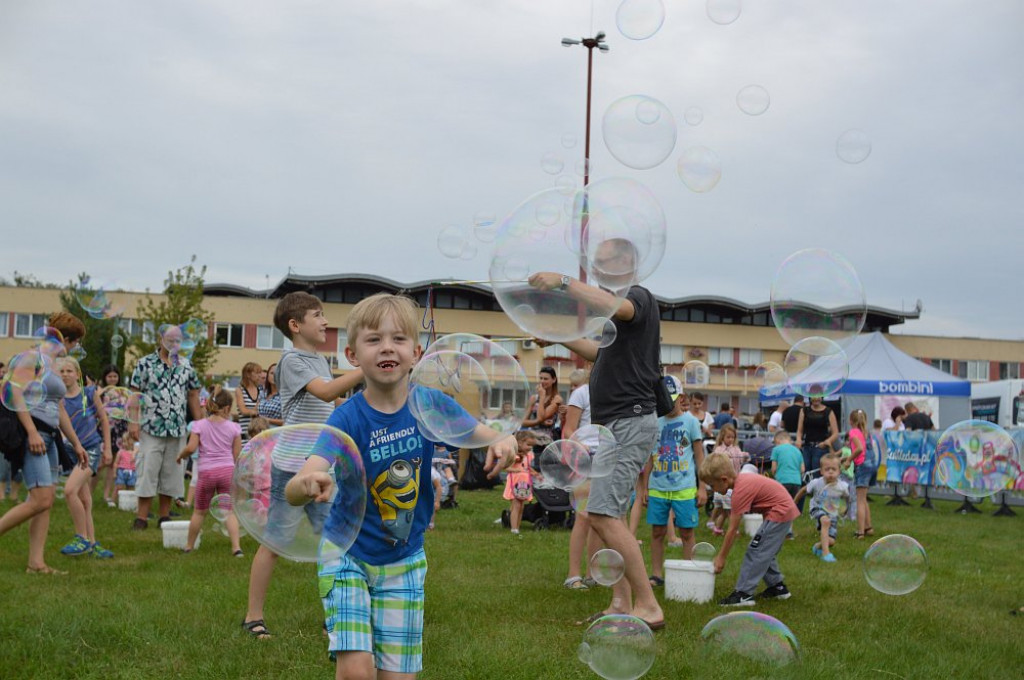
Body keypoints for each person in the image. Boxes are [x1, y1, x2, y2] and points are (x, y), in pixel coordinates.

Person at [284, 292, 516, 678]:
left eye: (398, 339)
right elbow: (298, 483)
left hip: (405, 560)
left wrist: (500, 438)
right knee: (357, 670)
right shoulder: (346, 418)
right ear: (352, 356)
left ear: (417, 351)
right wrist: (308, 480)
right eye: (374, 339)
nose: (387, 347)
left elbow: (481, 432)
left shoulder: (429, 404)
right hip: (346, 554)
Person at [528, 238, 665, 631]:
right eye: (596, 265)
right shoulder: (617, 320)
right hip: (615, 424)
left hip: (630, 421)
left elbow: (616, 306)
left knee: (603, 513)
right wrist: (556, 336)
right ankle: (620, 602)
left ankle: (649, 606)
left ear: (627, 264)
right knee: (610, 512)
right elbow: (596, 352)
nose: (599, 272)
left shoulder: (637, 298)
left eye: (605, 264)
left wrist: (562, 282)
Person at [242, 291, 365, 640]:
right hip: (293, 470)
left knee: (337, 542)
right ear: (296, 325)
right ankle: (253, 616)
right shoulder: (291, 361)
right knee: (276, 542)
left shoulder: (318, 360)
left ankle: (337, 615)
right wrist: (364, 368)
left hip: (322, 466)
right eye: (318, 314)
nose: (326, 321)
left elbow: (332, 400)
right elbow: (325, 393)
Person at [0, 312, 89, 575]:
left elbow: (58, 407)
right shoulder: (34, 358)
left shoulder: (51, 364)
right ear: (67, 339)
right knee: (41, 499)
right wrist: (31, 432)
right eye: (75, 343)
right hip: (35, 435)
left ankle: (36, 563)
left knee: (45, 501)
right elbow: (14, 391)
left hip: (50, 437)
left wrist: (76, 443)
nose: (74, 348)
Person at [128, 324, 202, 530]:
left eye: (178, 340)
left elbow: (194, 395)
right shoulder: (144, 363)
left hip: (177, 428)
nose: (174, 343)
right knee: (148, 470)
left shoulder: (186, 365)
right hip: (150, 426)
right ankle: (141, 518)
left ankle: (164, 516)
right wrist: (133, 422)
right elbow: (134, 394)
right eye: (170, 339)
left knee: (172, 473)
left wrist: (201, 426)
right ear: (160, 338)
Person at [699, 452, 798, 606]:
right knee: (764, 550)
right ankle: (777, 587)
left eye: (713, 485)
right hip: (782, 510)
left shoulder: (739, 491)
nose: (714, 490)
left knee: (756, 551)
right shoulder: (741, 482)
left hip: (780, 512)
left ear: (724, 480)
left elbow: (732, 530)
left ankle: (744, 594)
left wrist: (721, 557)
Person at [639, 375, 705, 587]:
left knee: (687, 532)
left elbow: (699, 456)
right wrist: (645, 487)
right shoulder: (655, 424)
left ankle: (688, 572)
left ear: (681, 397)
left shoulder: (691, 422)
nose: (666, 403)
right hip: (658, 488)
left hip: (684, 488)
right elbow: (650, 457)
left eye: (670, 398)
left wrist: (703, 486)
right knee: (657, 532)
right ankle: (656, 575)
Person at [56, 356, 114, 558]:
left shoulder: (89, 393)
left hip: (90, 451)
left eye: (69, 371)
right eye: (61, 371)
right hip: (71, 451)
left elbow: (104, 420)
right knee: (85, 499)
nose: (65, 374)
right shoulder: (57, 398)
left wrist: (107, 448)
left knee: (70, 491)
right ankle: (92, 543)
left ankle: (80, 538)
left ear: (78, 374)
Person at [176, 389, 243, 555]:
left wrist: (180, 456)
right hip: (227, 471)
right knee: (229, 510)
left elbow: (191, 448)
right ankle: (236, 548)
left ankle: (189, 547)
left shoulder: (199, 425)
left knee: (199, 511)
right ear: (227, 408)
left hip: (206, 473)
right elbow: (237, 455)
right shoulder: (234, 427)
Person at [562, 368, 602, 590]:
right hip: (584, 459)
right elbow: (569, 429)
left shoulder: (614, 392)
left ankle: (592, 573)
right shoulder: (582, 393)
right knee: (584, 517)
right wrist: (580, 446)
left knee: (600, 518)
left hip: (606, 459)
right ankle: (573, 575)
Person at [793, 453, 850, 563]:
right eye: (827, 469)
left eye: (834, 469)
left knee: (831, 541)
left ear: (839, 471)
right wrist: (794, 502)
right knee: (825, 521)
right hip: (817, 508)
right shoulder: (817, 483)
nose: (830, 472)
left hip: (833, 513)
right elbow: (803, 490)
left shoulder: (842, 486)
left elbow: (846, 498)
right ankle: (826, 554)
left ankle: (818, 547)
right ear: (821, 471)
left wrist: (845, 510)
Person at [709, 424, 748, 535]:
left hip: (734, 483)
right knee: (730, 510)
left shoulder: (736, 449)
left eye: (732, 437)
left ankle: (717, 529)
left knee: (726, 511)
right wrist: (725, 456)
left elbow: (741, 457)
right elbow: (715, 462)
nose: (731, 439)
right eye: (728, 437)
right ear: (722, 437)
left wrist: (745, 456)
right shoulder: (718, 449)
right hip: (723, 484)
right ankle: (733, 530)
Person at [95, 365, 126, 506]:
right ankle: (88, 491)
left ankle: (107, 495)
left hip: (119, 430)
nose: (112, 379)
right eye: (110, 376)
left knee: (113, 464)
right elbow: (93, 410)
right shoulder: (99, 393)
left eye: (115, 376)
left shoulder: (123, 393)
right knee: (101, 463)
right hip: (104, 429)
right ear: (105, 377)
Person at [501, 430, 540, 535]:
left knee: (521, 506)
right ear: (519, 443)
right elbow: (505, 467)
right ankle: (514, 528)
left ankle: (516, 526)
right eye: (528, 445)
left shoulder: (528, 456)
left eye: (531, 445)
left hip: (524, 483)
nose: (530, 448)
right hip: (516, 483)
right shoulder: (514, 455)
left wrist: (535, 473)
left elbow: (527, 467)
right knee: (516, 505)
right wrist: (516, 470)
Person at [847, 409, 877, 539]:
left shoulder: (853, 431)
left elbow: (859, 448)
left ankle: (860, 532)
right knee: (864, 498)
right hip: (872, 465)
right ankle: (868, 527)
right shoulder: (866, 432)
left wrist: (848, 460)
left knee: (859, 500)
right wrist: (847, 457)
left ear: (850, 421)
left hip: (862, 466)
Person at [795, 396, 838, 480]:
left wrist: (826, 442)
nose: (816, 399)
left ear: (822, 397)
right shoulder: (804, 410)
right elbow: (799, 430)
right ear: (810, 398)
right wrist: (798, 439)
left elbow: (835, 433)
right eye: (813, 397)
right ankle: (805, 492)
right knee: (804, 472)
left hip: (821, 447)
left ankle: (818, 492)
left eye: (818, 396)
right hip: (807, 446)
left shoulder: (828, 411)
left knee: (817, 473)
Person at [522, 366, 563, 452]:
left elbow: (541, 416)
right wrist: (538, 421)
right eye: (541, 378)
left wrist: (542, 397)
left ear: (554, 380)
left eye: (545, 379)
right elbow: (523, 422)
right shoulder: (533, 398)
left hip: (546, 443)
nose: (542, 381)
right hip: (532, 440)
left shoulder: (556, 399)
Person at [235, 362, 263, 442]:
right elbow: (243, 410)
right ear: (248, 374)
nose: (259, 375)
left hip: (259, 434)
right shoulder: (240, 390)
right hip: (245, 435)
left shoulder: (261, 390)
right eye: (257, 373)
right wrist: (254, 410)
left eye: (260, 373)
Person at [257, 361, 283, 427]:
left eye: (277, 373)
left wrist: (267, 420)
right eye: (272, 373)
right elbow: (256, 412)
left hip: (276, 432)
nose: (274, 376)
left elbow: (288, 421)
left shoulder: (285, 396)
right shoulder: (262, 394)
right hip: (260, 431)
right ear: (267, 376)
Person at [113, 431, 138, 498]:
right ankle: (113, 500)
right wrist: (114, 473)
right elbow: (116, 463)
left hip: (132, 472)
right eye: (123, 441)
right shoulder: (121, 452)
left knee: (131, 487)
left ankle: (128, 500)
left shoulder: (135, 453)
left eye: (125, 441)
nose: (123, 443)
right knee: (119, 486)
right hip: (121, 471)